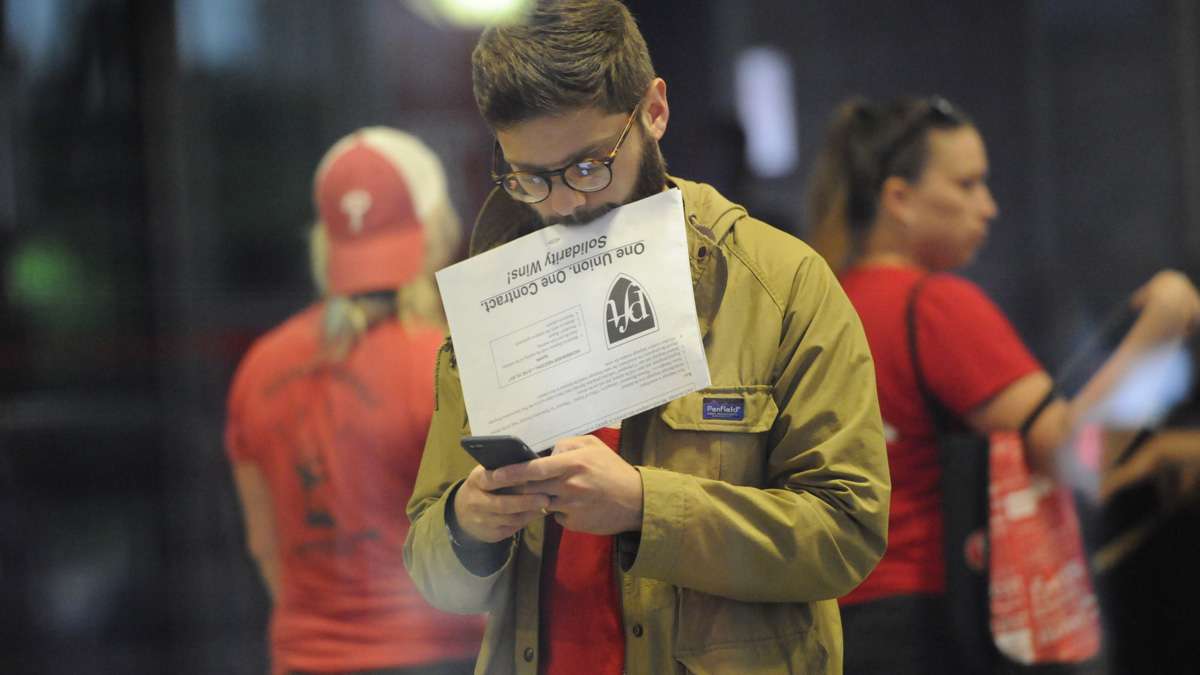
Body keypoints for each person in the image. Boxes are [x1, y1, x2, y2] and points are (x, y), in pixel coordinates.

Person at [403, 2, 891, 674]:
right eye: (533, 177)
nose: (566, 203)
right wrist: (467, 523)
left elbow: (847, 533)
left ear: (654, 110)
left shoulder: (778, 285)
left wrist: (643, 505)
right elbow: (435, 574)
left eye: (587, 166)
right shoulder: (497, 302)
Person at [805, 94, 1200, 674]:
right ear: (900, 200)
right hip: (928, 632)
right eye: (967, 186)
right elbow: (1073, 458)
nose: (987, 207)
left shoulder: (822, 302)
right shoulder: (935, 305)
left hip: (833, 628)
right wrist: (1163, 327)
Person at [225, 127, 483, 675]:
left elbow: (265, 547)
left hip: (306, 660)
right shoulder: (450, 363)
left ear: (324, 242)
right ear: (436, 230)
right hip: (447, 658)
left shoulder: (259, 367)